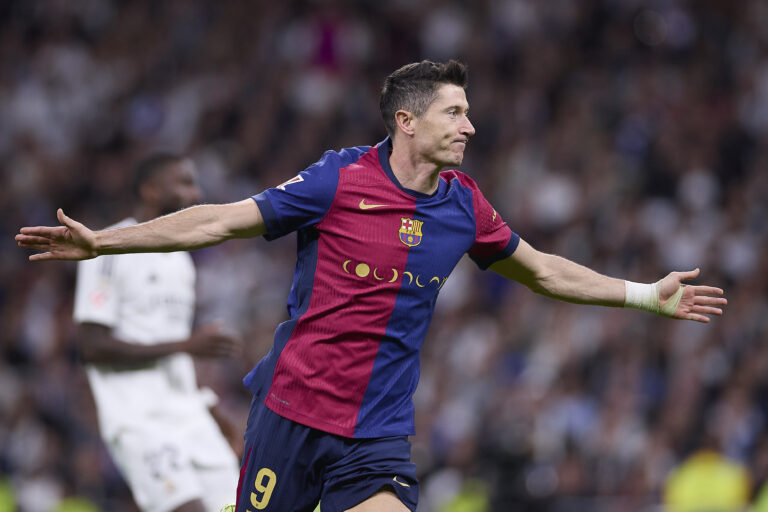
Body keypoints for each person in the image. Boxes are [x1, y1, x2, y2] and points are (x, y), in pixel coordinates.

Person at [16, 61, 727, 512]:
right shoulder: (337, 179)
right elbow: (217, 222)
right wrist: (104, 241)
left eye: (470, 113)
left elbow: (542, 269)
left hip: (376, 432)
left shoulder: (463, 206)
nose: (470, 126)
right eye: (455, 112)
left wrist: (643, 294)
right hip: (291, 415)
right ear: (406, 122)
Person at [70, 154, 242, 512]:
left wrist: (208, 406)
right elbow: (93, 346)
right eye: (183, 183)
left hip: (187, 414)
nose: (195, 193)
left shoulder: (180, 260)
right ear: (149, 190)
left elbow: (165, 343)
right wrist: (188, 345)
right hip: (139, 419)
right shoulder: (108, 248)